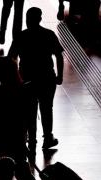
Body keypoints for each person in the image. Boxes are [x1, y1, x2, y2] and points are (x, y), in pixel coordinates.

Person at [10, 7, 64, 153]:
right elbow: (59, 55)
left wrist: (14, 78)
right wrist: (60, 76)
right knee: (47, 108)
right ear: (40, 19)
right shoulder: (48, 34)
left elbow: (12, 58)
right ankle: (47, 138)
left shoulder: (21, 36)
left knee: (29, 110)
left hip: (26, 78)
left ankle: (31, 139)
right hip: (46, 77)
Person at [0, 56, 38, 180]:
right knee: (21, 172)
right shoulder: (16, 88)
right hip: (14, 138)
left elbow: (7, 115)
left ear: (3, 71)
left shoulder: (8, 91)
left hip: (5, 137)